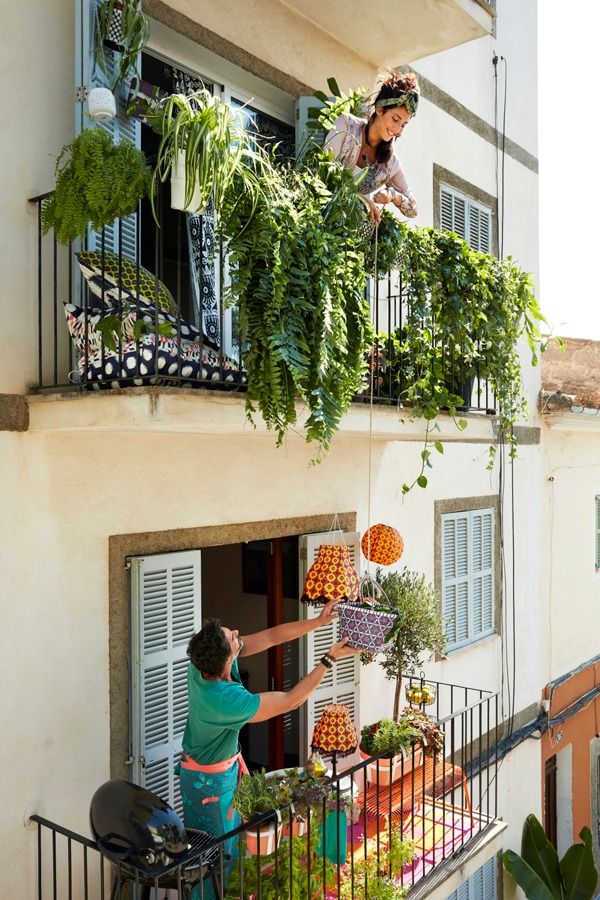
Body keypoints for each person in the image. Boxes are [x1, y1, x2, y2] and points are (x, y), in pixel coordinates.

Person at [177, 599, 360, 895]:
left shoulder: (201, 666)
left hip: (214, 774)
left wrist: (318, 622)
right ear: (226, 658)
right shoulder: (225, 701)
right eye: (233, 637)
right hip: (209, 786)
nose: (238, 633)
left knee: (229, 853)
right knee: (217, 860)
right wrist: (329, 659)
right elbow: (291, 701)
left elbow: (272, 636)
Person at [325, 70, 420, 224]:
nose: (398, 129)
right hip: (318, 217)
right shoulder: (346, 126)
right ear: (380, 109)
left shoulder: (390, 164)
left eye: (404, 124)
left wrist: (392, 195)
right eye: (395, 119)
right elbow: (326, 173)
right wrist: (362, 199)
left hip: (349, 232)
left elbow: (413, 209)